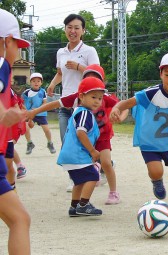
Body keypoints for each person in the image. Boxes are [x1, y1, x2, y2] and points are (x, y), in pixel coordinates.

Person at [27, 64, 128, 204]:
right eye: (87, 78)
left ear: (101, 82)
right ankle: (82, 197)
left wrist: (121, 117)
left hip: (102, 134)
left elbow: (124, 105)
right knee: (83, 166)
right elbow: (54, 104)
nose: (91, 81)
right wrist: (34, 112)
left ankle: (113, 193)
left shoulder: (103, 96)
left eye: (96, 78)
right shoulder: (77, 97)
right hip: (85, 137)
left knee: (106, 162)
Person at [110, 52, 168, 214]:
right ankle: (157, 181)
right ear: (160, 74)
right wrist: (116, 108)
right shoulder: (150, 93)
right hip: (149, 144)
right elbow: (127, 102)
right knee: (156, 171)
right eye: (167, 75)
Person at [47, 13, 100, 191]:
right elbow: (61, 73)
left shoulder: (89, 51)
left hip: (82, 104)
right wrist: (53, 84)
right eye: (69, 27)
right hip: (65, 103)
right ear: (65, 29)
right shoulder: (61, 52)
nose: (73, 31)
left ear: (83, 31)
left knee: (82, 141)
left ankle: (105, 164)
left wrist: (79, 67)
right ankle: (75, 178)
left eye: (77, 27)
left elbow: (96, 74)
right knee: (66, 142)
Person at [0, 8, 31, 255]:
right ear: (5, 41)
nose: (18, 52)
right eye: (17, 45)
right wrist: (3, 114)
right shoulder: (1, 63)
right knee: (19, 220)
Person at [57, 77, 106, 216]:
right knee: (93, 176)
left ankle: (74, 207)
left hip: (68, 155)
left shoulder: (78, 111)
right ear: (81, 96)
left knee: (79, 181)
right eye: (93, 97)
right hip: (77, 154)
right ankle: (83, 205)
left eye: (100, 98)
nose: (97, 101)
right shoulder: (85, 113)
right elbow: (81, 132)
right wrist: (92, 150)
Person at [22, 72, 56, 155]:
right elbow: (22, 103)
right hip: (30, 113)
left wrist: (38, 109)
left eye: (38, 81)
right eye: (33, 81)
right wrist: (26, 111)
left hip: (41, 113)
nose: (36, 83)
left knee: (46, 129)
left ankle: (50, 143)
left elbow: (45, 103)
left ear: (41, 83)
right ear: (30, 82)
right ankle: (30, 143)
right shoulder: (27, 92)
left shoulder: (43, 91)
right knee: (26, 128)